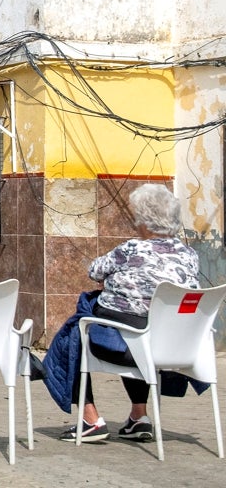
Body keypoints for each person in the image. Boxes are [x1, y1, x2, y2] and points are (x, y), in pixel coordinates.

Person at [46, 184, 200, 443]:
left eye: (138, 216)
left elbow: (95, 271)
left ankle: (90, 419)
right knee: (130, 327)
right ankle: (139, 417)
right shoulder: (189, 255)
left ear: (146, 222)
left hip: (125, 347)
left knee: (78, 326)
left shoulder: (131, 249)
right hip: (174, 348)